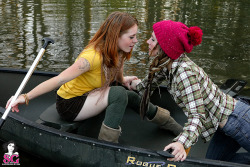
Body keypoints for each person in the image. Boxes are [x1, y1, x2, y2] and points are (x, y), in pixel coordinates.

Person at [6, 11, 139, 143]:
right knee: (119, 94)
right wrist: (26, 97)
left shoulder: (118, 50)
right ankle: (107, 144)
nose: (136, 41)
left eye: (135, 36)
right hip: (71, 104)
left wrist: (122, 80)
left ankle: (160, 119)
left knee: (129, 95)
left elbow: (117, 67)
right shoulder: (91, 57)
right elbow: (59, 79)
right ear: (116, 36)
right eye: (132, 37)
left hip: (89, 94)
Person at [130, 20, 250, 164]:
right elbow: (147, 85)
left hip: (238, 120)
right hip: (224, 125)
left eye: (153, 39)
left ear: (165, 47)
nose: (148, 41)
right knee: (213, 163)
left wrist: (182, 143)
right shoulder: (167, 64)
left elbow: (197, 116)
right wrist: (130, 82)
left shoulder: (184, 73)